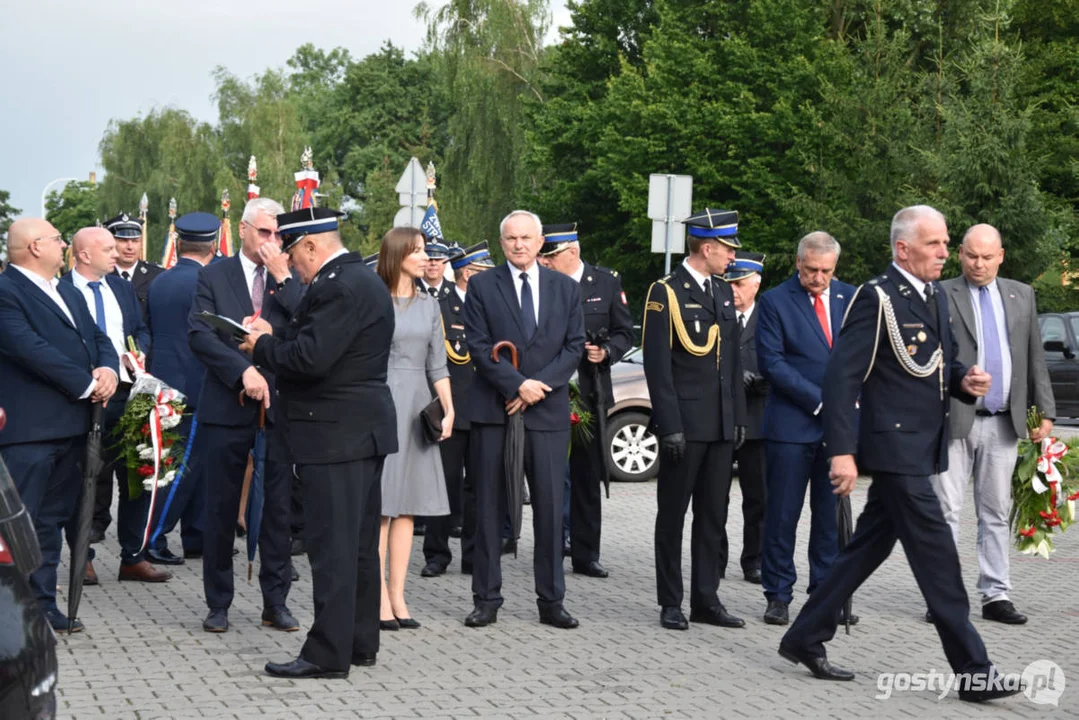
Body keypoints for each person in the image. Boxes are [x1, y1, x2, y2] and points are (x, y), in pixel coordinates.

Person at [779, 206, 1021, 704]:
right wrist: (841, 451)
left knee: (864, 550)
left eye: (944, 242)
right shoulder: (878, 297)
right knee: (938, 561)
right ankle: (975, 671)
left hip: (921, 447)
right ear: (903, 249)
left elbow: (938, 364)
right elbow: (842, 377)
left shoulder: (932, 296)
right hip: (893, 450)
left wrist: (964, 382)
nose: (944, 252)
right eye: (934, 244)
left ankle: (803, 636)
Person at [241, 206, 398, 678]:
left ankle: (327, 653)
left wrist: (261, 346)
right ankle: (358, 641)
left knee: (333, 548)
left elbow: (310, 359)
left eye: (292, 253)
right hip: (359, 430)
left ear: (311, 245)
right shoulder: (358, 279)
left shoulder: (338, 286)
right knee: (358, 545)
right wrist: (280, 334)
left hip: (335, 432)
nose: (291, 265)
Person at [461, 210, 585, 630]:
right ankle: (486, 597)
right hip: (495, 412)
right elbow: (477, 347)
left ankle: (551, 600)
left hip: (546, 412)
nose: (518, 244)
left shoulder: (566, 289)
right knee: (490, 508)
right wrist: (515, 385)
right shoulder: (480, 286)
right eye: (511, 238)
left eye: (526, 238)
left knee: (550, 508)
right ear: (502, 243)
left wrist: (535, 387)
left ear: (539, 242)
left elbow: (574, 347)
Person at [928, 224, 1055, 625]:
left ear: (1001, 255)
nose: (978, 264)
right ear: (959, 254)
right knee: (946, 511)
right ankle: (943, 598)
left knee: (996, 512)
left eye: (987, 257)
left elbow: (1035, 356)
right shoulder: (940, 293)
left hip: (1004, 421)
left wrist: (1045, 411)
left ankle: (995, 594)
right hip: (952, 419)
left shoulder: (1022, 295)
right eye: (971, 256)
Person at [0, 218, 118, 632]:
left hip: (72, 426)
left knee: (50, 523)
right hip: (29, 431)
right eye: (56, 239)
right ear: (34, 247)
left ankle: (42, 605)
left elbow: (97, 338)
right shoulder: (6, 292)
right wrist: (87, 384)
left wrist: (108, 367)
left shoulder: (66, 290)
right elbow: (29, 349)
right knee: (20, 524)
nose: (64, 244)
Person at [187, 200, 300, 634]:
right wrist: (244, 371)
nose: (271, 242)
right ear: (244, 229)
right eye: (264, 233)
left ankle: (276, 600)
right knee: (219, 508)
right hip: (226, 405)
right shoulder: (213, 274)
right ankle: (218, 602)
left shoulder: (287, 276)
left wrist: (283, 278)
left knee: (276, 509)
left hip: (277, 409)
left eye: (277, 235)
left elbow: (307, 324)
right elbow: (200, 334)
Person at [642, 207, 747, 631]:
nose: (731, 258)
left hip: (720, 425)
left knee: (713, 517)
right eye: (726, 250)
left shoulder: (723, 292)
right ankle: (671, 601)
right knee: (672, 515)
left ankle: (707, 598)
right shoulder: (665, 292)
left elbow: (733, 361)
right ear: (707, 248)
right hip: (685, 425)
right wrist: (669, 425)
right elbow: (657, 366)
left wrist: (737, 416)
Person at [755, 233, 857, 626]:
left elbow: (861, 353)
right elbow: (773, 363)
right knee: (783, 514)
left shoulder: (851, 298)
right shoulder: (776, 301)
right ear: (798, 263)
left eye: (826, 271)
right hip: (792, 425)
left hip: (838, 431)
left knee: (830, 517)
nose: (818, 278)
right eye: (812, 270)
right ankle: (778, 594)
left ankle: (825, 595)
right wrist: (819, 400)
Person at [61, 227, 170, 583]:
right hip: (88, 396)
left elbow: (142, 328)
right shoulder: (61, 291)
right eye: (107, 248)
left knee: (142, 471)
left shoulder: (121, 287)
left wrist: (137, 349)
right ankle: (83, 555)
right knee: (85, 478)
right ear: (83, 254)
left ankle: (133, 555)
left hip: (132, 391)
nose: (117, 253)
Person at [538, 222, 634, 579]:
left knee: (587, 476)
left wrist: (607, 351)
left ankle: (586, 552)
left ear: (571, 253)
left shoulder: (605, 282)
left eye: (550, 256)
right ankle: (550, 547)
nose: (544, 263)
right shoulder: (542, 285)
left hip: (590, 392)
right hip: (550, 392)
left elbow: (625, 331)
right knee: (550, 476)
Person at [374, 227, 454, 629]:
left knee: (407, 508)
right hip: (382, 402)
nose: (427, 257)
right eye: (418, 251)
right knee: (382, 509)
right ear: (397, 254)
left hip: (418, 406)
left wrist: (448, 408)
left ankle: (398, 595)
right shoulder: (374, 300)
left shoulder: (429, 305)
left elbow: (437, 363)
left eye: (426, 250)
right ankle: (376, 600)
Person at [144, 219, 217, 563]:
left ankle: (197, 535)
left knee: (188, 464)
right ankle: (155, 537)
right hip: (195, 383)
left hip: (165, 379)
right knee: (182, 468)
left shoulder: (160, 280)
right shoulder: (207, 281)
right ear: (214, 245)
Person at [422, 241, 496, 577]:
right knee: (443, 484)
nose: (489, 276)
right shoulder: (441, 304)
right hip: (452, 409)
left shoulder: (494, 305)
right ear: (467, 273)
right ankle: (437, 554)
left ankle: (473, 555)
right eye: (483, 271)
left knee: (479, 488)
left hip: (486, 410)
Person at [719, 251, 767, 584]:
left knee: (759, 498)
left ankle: (755, 560)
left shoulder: (769, 318)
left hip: (758, 419)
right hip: (720, 418)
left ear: (756, 284)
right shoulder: (715, 314)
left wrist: (758, 378)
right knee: (714, 497)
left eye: (739, 284)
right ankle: (714, 558)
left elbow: (780, 359)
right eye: (729, 283)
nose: (733, 290)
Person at [106, 213, 164, 319]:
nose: (130, 247)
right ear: (111, 243)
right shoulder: (101, 275)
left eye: (135, 241)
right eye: (123, 240)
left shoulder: (157, 276)